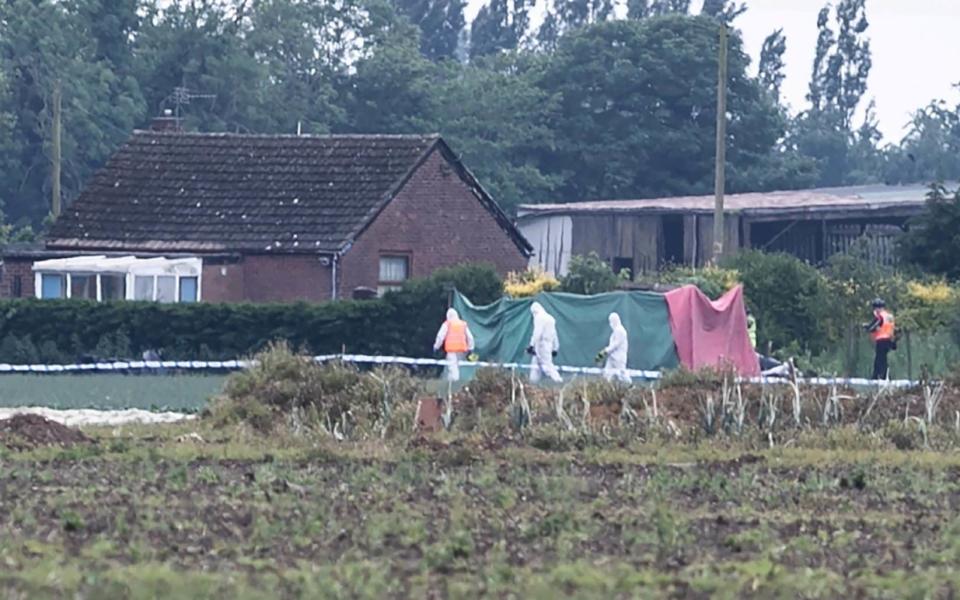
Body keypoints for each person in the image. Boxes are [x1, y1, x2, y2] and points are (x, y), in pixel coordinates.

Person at [433, 308, 475, 382]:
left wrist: (436, 347)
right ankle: (456, 386)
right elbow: (470, 338)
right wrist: (470, 348)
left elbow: (440, 336)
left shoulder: (447, 324)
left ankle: (454, 387)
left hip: (451, 351)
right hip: (462, 351)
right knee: (459, 369)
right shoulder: (463, 324)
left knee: (453, 370)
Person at [526, 301, 562, 383]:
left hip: (541, 344)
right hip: (549, 343)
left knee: (547, 364)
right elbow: (554, 334)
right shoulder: (550, 318)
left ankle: (558, 380)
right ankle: (533, 381)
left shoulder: (539, 318)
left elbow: (537, 333)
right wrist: (555, 347)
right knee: (535, 363)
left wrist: (531, 345)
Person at [864, 298, 896, 380]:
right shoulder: (889, 316)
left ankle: (877, 377)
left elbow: (873, 326)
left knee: (879, 359)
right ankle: (885, 376)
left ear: (878, 308)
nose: (875, 310)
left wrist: (868, 328)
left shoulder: (880, 316)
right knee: (884, 359)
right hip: (889, 340)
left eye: (875, 308)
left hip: (881, 340)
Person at [597, 312, 630, 383]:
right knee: (607, 373)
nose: (610, 323)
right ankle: (606, 388)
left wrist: (604, 351)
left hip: (619, 358)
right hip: (612, 357)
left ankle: (630, 387)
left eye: (611, 321)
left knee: (622, 374)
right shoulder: (615, 331)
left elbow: (615, 345)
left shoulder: (620, 331)